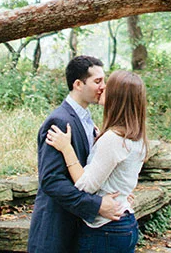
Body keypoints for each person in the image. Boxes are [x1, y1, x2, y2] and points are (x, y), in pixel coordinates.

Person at [45, 70, 148, 253]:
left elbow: (85, 186)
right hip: (123, 225)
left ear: (117, 97)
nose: (102, 88)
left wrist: (67, 149)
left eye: (107, 86)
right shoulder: (135, 136)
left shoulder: (114, 139)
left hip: (105, 231)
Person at [27, 55, 123, 253]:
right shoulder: (59, 121)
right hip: (56, 229)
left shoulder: (86, 120)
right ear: (78, 84)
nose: (104, 87)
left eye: (104, 81)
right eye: (98, 81)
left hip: (77, 228)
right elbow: (51, 180)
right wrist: (96, 205)